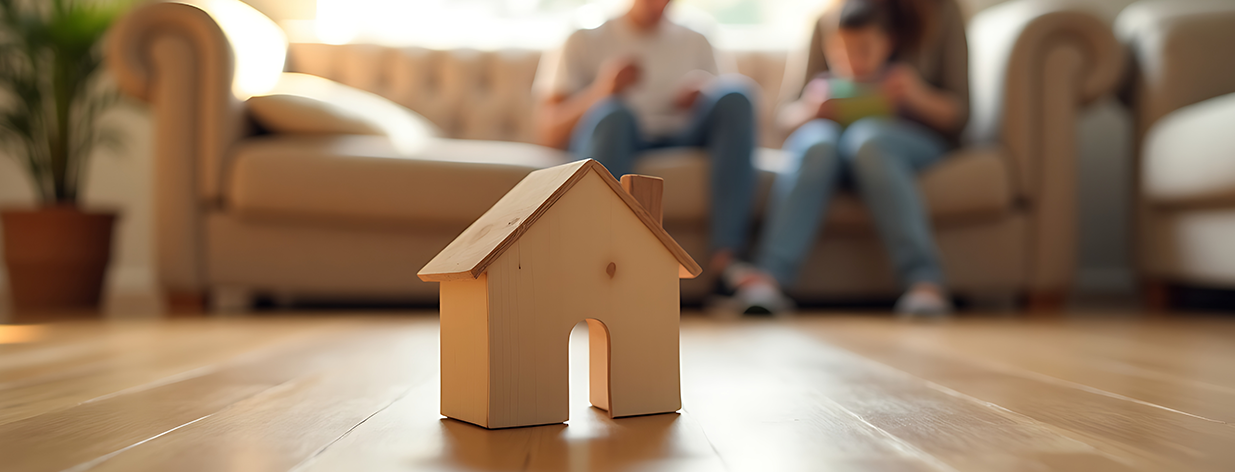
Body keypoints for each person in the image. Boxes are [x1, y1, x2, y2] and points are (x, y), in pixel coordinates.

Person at [727, 0, 970, 316]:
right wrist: (813, 109)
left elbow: (961, 115)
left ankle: (925, 281)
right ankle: (769, 277)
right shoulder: (829, 19)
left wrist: (916, 95)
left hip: (905, 141)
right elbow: (785, 119)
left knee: (868, 140)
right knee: (817, 145)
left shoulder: (942, 11)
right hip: (831, 140)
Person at [534, 0, 757, 275]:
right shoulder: (584, 35)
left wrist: (703, 95)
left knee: (736, 94)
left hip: (683, 135)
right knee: (615, 115)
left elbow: (725, 108)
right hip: (619, 137)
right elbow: (549, 133)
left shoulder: (698, 37)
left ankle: (727, 263)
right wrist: (602, 91)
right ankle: (601, 260)